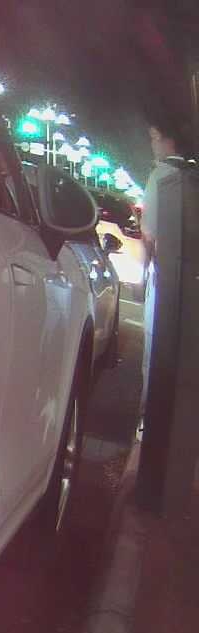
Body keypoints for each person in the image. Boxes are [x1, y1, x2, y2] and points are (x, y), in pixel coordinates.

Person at [140, 117, 188, 439]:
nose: (152, 145)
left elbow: (149, 233)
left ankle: (149, 424)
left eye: (154, 138)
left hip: (164, 279)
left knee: (154, 351)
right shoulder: (191, 177)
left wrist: (143, 273)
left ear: (167, 140)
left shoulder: (161, 176)